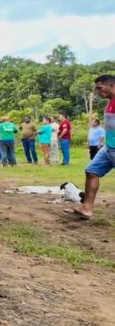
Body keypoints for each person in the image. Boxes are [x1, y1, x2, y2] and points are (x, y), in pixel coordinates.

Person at [70, 75, 115, 220]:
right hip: (108, 147)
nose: (98, 92)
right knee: (92, 171)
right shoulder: (110, 102)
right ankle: (87, 208)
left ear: (111, 86)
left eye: (100, 88)